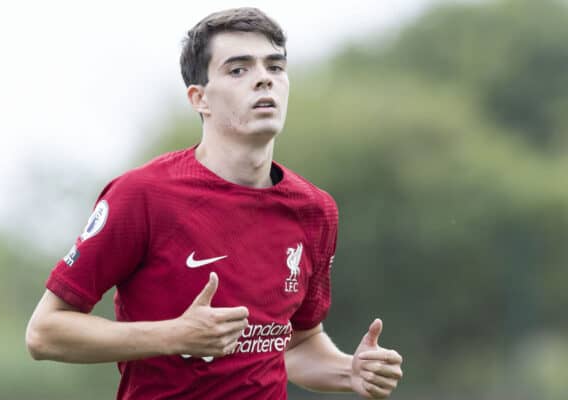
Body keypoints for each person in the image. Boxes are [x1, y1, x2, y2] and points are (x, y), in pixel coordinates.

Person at [26, 7, 403, 399]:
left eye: (275, 67)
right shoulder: (144, 196)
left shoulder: (315, 210)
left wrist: (350, 372)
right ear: (199, 98)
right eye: (239, 70)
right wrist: (175, 334)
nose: (263, 80)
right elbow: (45, 332)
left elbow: (297, 344)